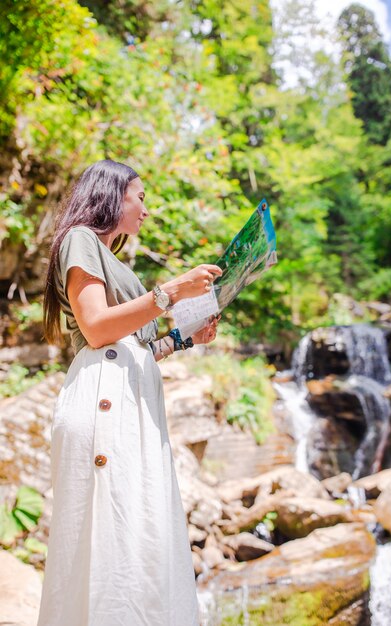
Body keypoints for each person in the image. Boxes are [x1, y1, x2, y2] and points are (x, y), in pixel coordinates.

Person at [38, 159, 222, 626]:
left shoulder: (111, 258)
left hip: (129, 400)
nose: (145, 210)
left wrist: (183, 338)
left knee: (138, 534)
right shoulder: (80, 239)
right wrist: (170, 292)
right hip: (105, 398)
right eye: (139, 197)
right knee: (111, 537)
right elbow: (97, 329)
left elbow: (133, 343)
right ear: (111, 195)